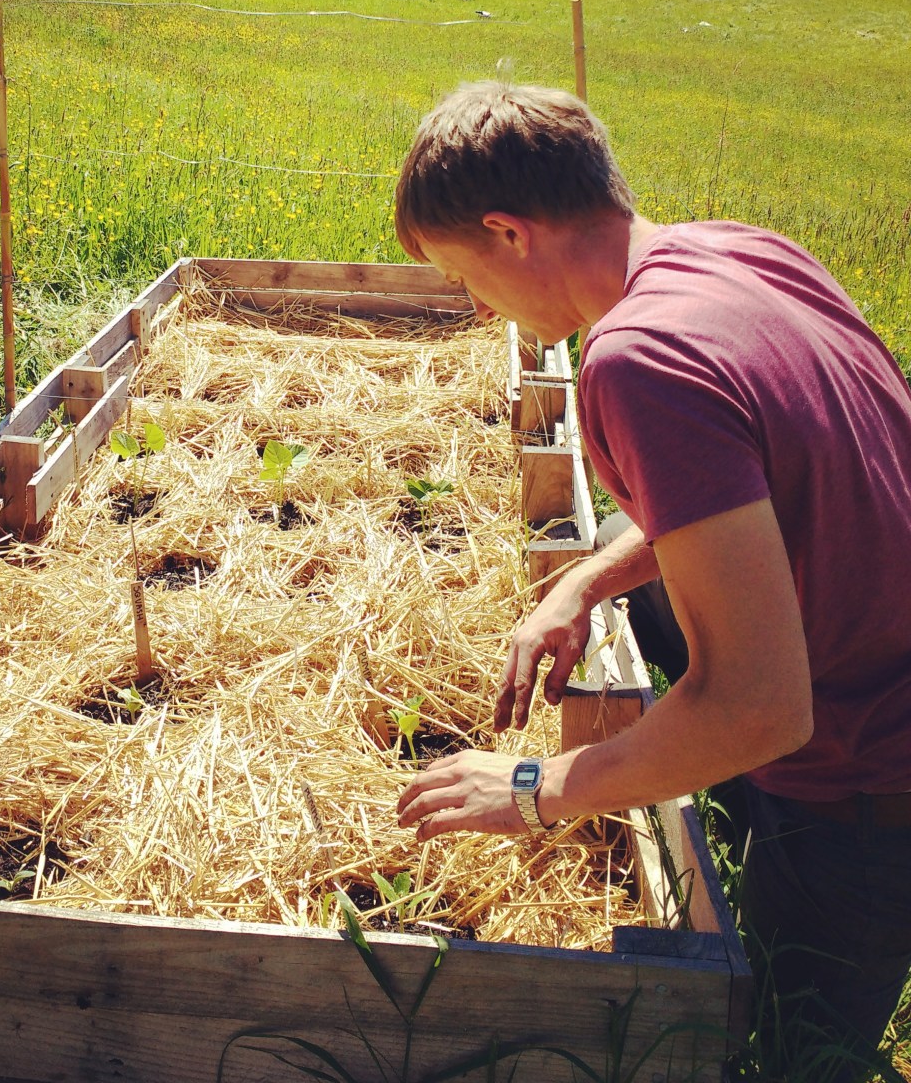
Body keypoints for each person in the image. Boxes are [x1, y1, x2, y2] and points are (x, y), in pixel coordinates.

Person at [390, 80, 911, 1075]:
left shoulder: (636, 361)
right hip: (879, 684)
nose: (477, 305)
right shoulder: (742, 252)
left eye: (463, 276)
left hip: (869, 785)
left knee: (775, 1057)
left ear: (508, 232)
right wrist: (583, 581)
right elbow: (762, 486)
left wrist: (536, 787)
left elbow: (760, 709)